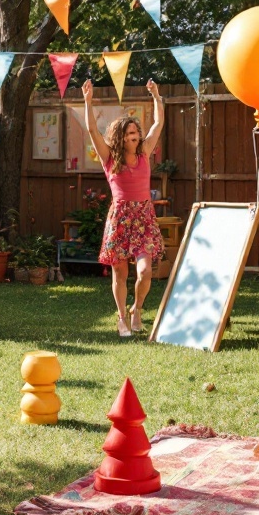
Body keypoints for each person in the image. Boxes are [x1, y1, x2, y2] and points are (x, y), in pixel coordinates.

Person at [82, 78, 165, 337]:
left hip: (143, 216)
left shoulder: (145, 152)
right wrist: (87, 102)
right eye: (129, 134)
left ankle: (137, 309)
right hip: (120, 217)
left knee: (145, 271)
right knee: (119, 272)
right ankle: (121, 317)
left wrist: (156, 96)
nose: (135, 136)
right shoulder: (109, 157)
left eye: (136, 132)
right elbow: (92, 130)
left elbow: (158, 123)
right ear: (121, 137)